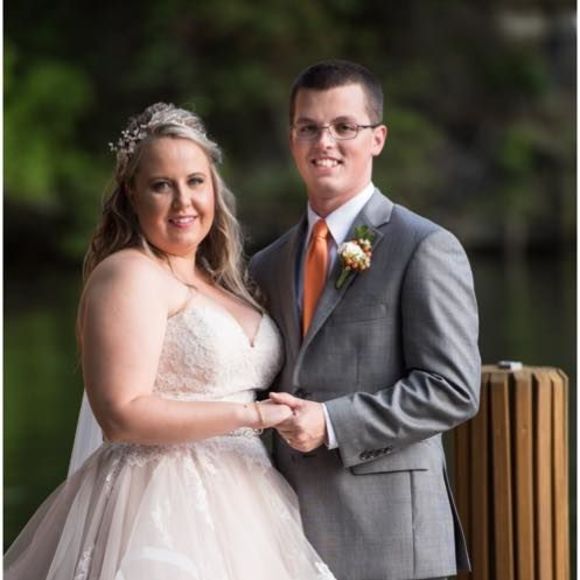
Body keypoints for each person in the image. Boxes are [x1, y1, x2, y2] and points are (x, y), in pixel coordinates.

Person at [5, 103, 336, 580]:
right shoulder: (128, 274)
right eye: (162, 185)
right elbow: (120, 415)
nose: (183, 202)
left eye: (195, 181)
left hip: (249, 501)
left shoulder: (224, 282)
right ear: (132, 194)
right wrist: (254, 416)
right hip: (159, 500)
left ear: (213, 187)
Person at [251, 60, 481, 580]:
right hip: (285, 534)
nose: (324, 142)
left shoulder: (424, 246)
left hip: (392, 541)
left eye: (344, 127)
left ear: (377, 138)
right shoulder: (265, 264)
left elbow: (453, 389)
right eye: (308, 127)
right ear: (292, 140)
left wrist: (332, 423)